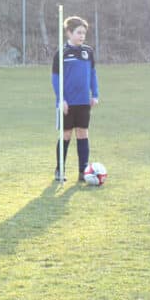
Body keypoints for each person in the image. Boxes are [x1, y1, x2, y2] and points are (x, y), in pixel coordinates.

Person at [51, 16, 99, 183]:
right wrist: (61, 100)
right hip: (67, 103)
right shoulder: (62, 53)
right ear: (69, 33)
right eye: (78, 32)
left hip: (83, 102)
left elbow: (93, 74)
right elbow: (55, 78)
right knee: (66, 135)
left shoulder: (88, 52)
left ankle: (83, 171)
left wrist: (95, 94)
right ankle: (60, 170)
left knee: (83, 134)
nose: (82, 36)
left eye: (84, 33)